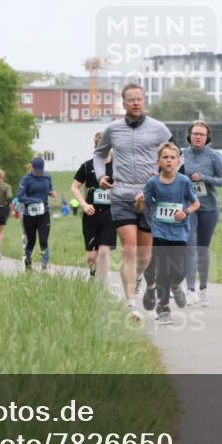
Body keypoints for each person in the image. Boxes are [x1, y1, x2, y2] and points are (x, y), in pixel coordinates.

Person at [94, 83, 174, 320]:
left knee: (145, 255)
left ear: (144, 101)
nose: (136, 103)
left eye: (140, 99)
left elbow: (174, 155)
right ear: (124, 103)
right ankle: (130, 304)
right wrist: (100, 176)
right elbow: (99, 154)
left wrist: (163, 176)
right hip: (122, 196)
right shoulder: (113, 129)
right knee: (129, 248)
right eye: (131, 100)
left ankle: (138, 278)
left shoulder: (158, 129)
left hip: (150, 197)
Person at [135, 142, 200, 324]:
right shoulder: (152, 183)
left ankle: (176, 285)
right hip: (160, 231)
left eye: (172, 157)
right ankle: (163, 308)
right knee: (162, 270)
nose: (169, 160)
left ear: (178, 161)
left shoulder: (184, 181)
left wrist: (185, 212)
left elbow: (195, 204)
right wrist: (139, 201)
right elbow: (141, 207)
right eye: (165, 157)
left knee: (179, 270)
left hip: (179, 232)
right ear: (159, 161)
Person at [181, 121, 222, 306]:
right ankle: (190, 289)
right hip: (189, 207)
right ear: (189, 136)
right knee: (190, 246)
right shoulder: (182, 155)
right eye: (194, 133)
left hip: (209, 207)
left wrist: (204, 178)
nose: (197, 137)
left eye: (201, 134)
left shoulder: (214, 156)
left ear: (207, 137)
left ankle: (204, 288)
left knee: (202, 248)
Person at [71, 132, 116, 280]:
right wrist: (83, 205)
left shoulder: (118, 166)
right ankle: (92, 276)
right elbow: (74, 187)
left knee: (103, 252)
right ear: (95, 148)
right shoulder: (87, 165)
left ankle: (102, 284)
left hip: (110, 215)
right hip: (91, 215)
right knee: (92, 256)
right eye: (100, 148)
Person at [17, 157, 56, 270]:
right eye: (37, 170)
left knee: (43, 240)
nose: (39, 173)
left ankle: (45, 266)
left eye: (41, 170)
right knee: (31, 242)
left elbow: (49, 189)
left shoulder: (47, 177)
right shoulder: (26, 179)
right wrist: (33, 200)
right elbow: (20, 197)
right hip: (29, 215)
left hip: (44, 213)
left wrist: (51, 193)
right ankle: (28, 262)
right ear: (32, 168)